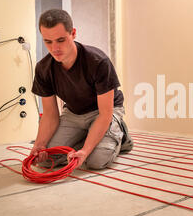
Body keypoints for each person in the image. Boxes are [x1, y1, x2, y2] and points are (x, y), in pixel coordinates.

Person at [30, 9, 133, 169]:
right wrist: (39, 145)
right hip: (73, 114)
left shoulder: (98, 62)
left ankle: (121, 135)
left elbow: (105, 113)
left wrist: (85, 151)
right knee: (44, 160)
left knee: (95, 161)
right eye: (48, 42)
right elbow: (50, 114)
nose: (54, 48)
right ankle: (89, 135)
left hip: (103, 112)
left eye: (61, 40)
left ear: (73, 33)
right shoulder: (43, 68)